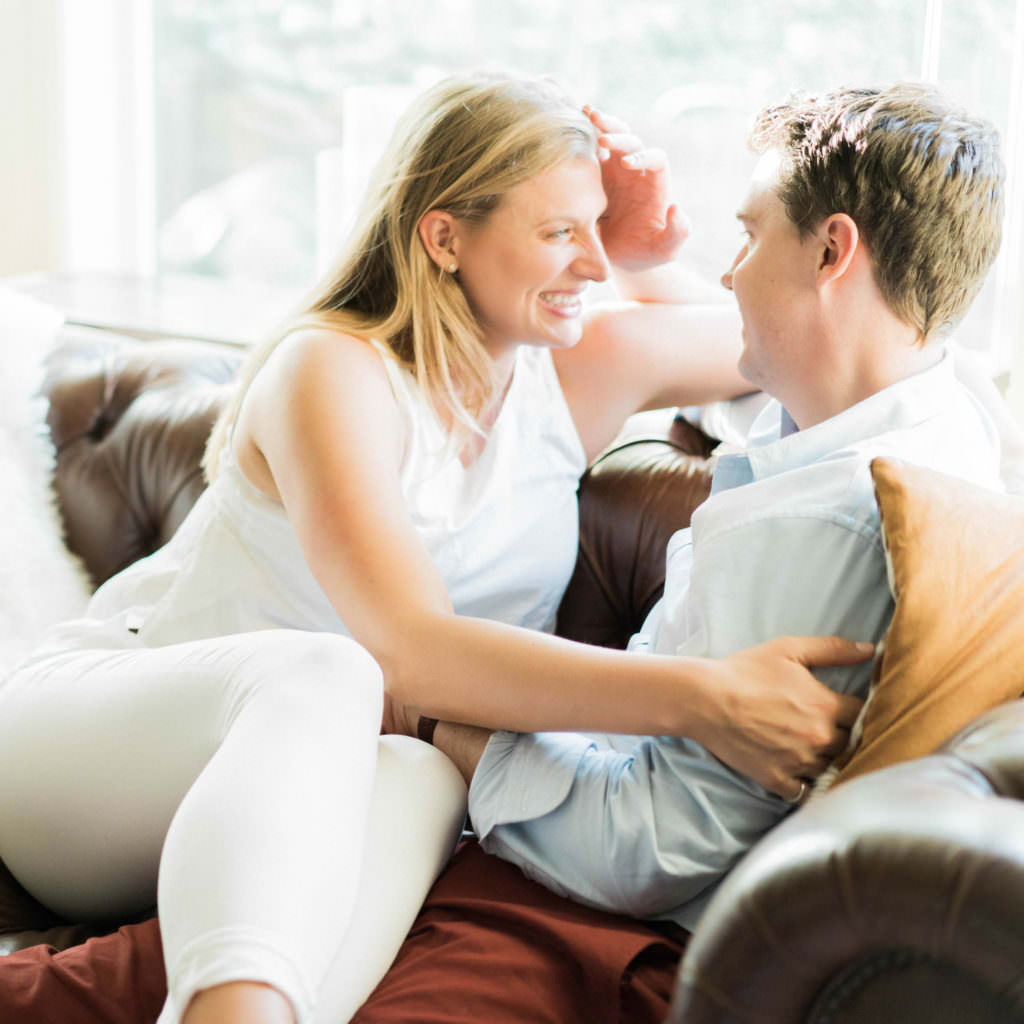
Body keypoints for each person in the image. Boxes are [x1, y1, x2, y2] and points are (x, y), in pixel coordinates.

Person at [0, 72, 871, 1024]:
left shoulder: (580, 370)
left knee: (429, 775)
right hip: (90, 747)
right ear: (444, 235)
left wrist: (649, 258)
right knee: (338, 677)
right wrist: (708, 700)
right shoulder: (330, 367)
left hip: (285, 802)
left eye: (593, 231)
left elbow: (789, 342)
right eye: (557, 233)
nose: (588, 264)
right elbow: (407, 655)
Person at [385, 82, 1008, 934]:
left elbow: (646, 848)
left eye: (749, 235)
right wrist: (646, 263)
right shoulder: (943, 398)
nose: (727, 271)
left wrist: (444, 729)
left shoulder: (818, 521)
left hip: (603, 902)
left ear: (833, 253)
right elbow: (758, 358)